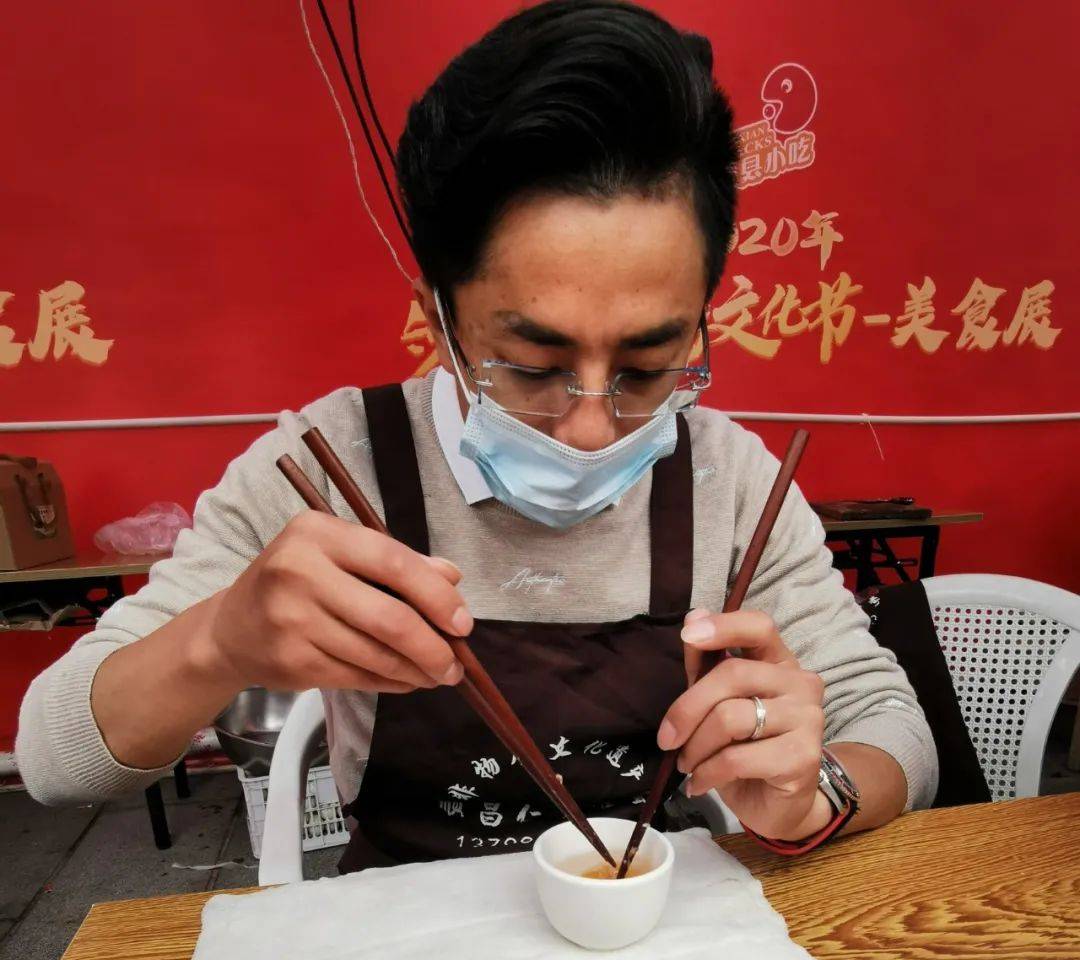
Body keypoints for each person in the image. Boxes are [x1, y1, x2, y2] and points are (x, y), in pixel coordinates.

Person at [17, 0, 936, 868]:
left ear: (700, 322)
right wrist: (217, 643)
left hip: (661, 955)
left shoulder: (729, 478)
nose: (586, 426)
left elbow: (892, 724)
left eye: (649, 366)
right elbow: (56, 758)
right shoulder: (333, 465)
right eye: (532, 366)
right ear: (441, 320)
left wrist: (817, 791)